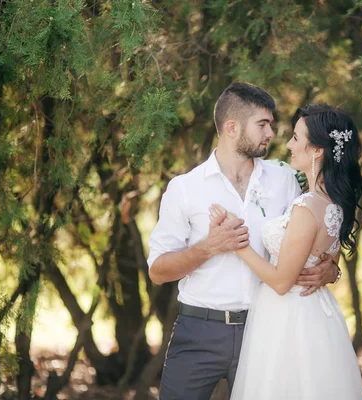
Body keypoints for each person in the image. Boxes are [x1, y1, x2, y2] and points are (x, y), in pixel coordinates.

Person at [146, 83, 341, 399]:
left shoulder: (285, 180)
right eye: (262, 124)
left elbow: (316, 232)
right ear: (231, 127)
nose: (271, 133)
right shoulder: (184, 188)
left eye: (271, 124)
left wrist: (332, 268)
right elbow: (157, 270)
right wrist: (210, 246)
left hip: (265, 330)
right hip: (199, 331)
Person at [209, 104, 362, 399]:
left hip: (288, 316)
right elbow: (327, 260)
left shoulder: (306, 208)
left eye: (296, 138)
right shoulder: (335, 204)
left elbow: (282, 282)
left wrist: (236, 243)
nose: (290, 145)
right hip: (318, 312)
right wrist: (331, 271)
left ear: (318, 150)